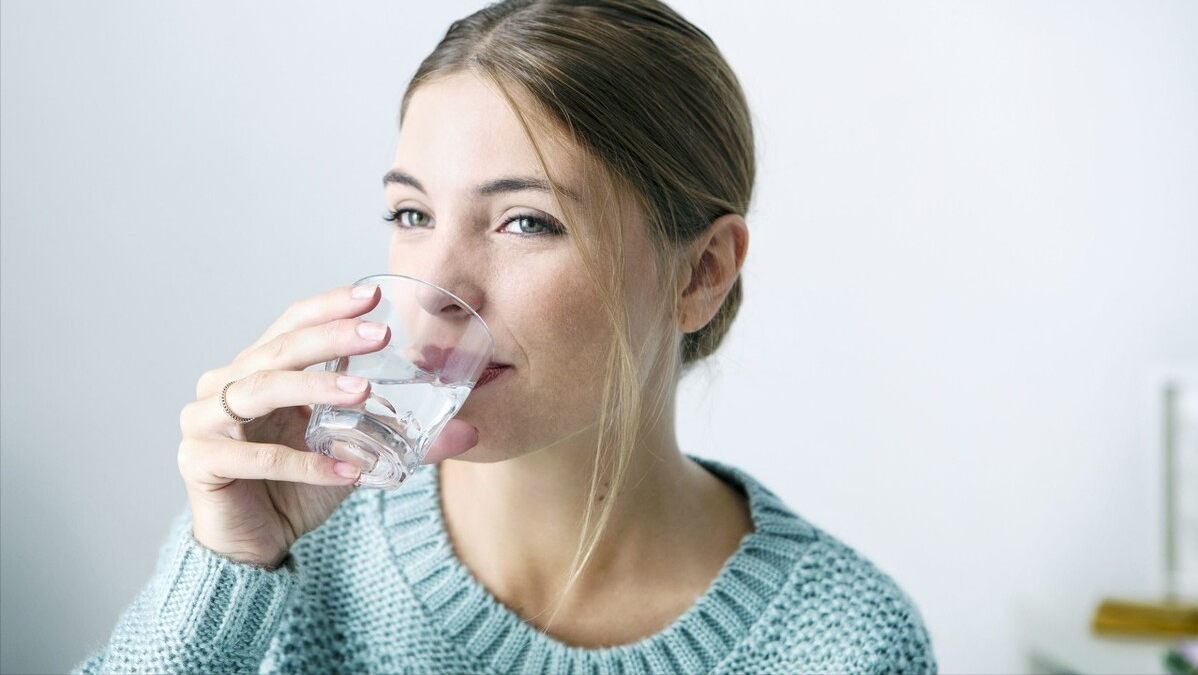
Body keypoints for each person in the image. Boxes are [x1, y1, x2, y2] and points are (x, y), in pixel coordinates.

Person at [77, 0, 936, 673]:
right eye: (412, 213)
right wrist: (223, 576)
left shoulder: (844, 643)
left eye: (526, 221)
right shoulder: (284, 548)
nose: (438, 289)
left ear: (700, 272)